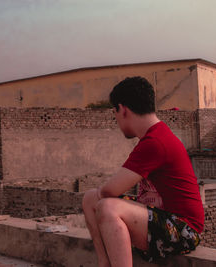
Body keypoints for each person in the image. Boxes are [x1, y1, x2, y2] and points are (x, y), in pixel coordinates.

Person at [82, 76, 204, 267]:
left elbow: (109, 191)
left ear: (123, 110)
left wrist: (106, 199)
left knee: (107, 207)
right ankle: (104, 262)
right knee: (90, 198)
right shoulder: (155, 137)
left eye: (115, 114)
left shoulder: (155, 142)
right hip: (162, 221)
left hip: (184, 230)